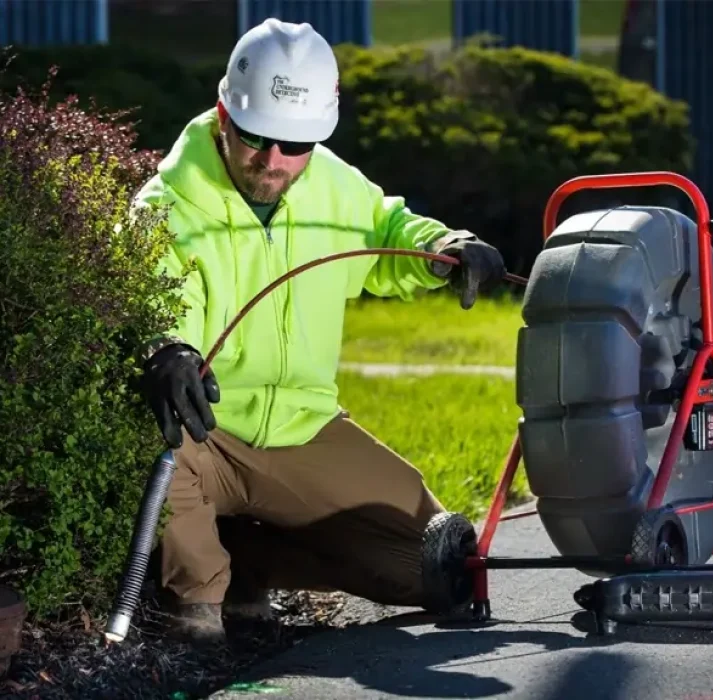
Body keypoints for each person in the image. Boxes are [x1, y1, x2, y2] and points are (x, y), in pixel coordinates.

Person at [132, 17, 507, 644]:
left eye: (295, 146)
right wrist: (167, 350)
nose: (274, 161)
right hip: (207, 434)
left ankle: (252, 561)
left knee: (440, 568)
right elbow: (151, 305)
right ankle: (195, 606)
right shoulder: (164, 208)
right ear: (224, 112)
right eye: (256, 138)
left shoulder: (330, 182)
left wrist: (444, 246)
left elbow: (387, 230)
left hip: (304, 429)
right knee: (157, 456)